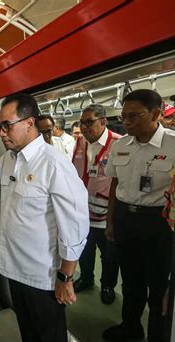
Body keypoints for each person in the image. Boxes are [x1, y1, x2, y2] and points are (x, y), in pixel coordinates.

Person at [0, 93, 89, 342]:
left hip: (43, 275)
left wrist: (65, 276)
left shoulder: (53, 164)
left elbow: (75, 225)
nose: (2, 133)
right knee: (29, 335)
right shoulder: (10, 159)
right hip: (14, 270)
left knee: (50, 340)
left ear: (29, 122)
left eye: (6, 125)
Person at [103, 89, 175, 342]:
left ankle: (157, 341)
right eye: (124, 116)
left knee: (159, 286)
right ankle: (131, 325)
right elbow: (115, 183)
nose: (126, 122)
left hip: (160, 223)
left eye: (134, 116)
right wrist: (111, 221)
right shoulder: (121, 145)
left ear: (156, 114)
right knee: (131, 279)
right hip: (126, 218)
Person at [71, 104, 120, 305]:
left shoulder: (118, 143)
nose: (83, 127)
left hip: (106, 214)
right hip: (83, 212)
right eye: (82, 122)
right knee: (85, 250)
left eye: (88, 122)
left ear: (103, 121)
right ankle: (86, 278)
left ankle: (107, 285)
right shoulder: (80, 142)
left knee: (109, 256)